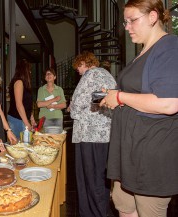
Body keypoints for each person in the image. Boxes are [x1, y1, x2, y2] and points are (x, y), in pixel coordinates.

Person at [100, 1, 178, 216]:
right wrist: (113, 96)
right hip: (130, 151)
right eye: (125, 21)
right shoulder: (143, 52)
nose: (127, 27)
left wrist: (119, 96)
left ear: (153, 17)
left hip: (150, 153)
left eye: (133, 20)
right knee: (123, 205)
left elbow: (169, 103)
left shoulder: (170, 46)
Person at [70, 51, 116, 217]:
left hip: (89, 135)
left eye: (78, 68)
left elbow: (77, 105)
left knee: (89, 181)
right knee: (100, 180)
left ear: (84, 63)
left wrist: (72, 109)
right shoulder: (107, 75)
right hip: (105, 135)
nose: (79, 71)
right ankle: (102, 212)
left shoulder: (90, 74)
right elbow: (100, 102)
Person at [7, 59, 36, 139]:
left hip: (22, 119)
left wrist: (32, 118)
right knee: (20, 146)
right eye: (29, 70)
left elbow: (27, 103)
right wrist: (27, 123)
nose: (30, 72)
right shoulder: (19, 82)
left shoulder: (24, 83)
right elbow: (19, 104)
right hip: (17, 119)